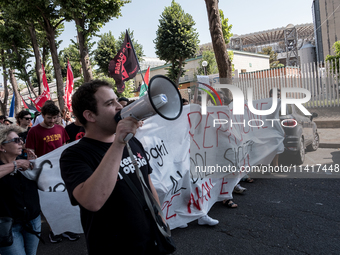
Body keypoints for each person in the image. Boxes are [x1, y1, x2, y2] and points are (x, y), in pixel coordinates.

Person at [60, 80, 162, 254]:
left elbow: (147, 183)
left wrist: (161, 221)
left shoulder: (133, 141)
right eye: (109, 103)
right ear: (90, 116)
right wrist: (118, 143)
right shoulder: (74, 156)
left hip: (150, 240)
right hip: (113, 247)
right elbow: (92, 201)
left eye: (116, 100)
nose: (119, 106)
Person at [25, 103, 78, 243]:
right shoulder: (34, 131)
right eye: (49, 118)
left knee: (65, 199)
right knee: (50, 201)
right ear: (42, 115)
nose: (53, 121)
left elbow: (65, 146)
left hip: (61, 170)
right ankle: (53, 230)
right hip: (44, 172)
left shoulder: (61, 128)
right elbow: (30, 151)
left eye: (55, 118)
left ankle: (68, 228)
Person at [0, 125, 40, 255]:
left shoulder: (24, 162)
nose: (21, 142)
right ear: (2, 147)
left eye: (21, 139)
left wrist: (34, 168)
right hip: (8, 226)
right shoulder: (17, 163)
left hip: (33, 221)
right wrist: (15, 165)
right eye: (16, 140)